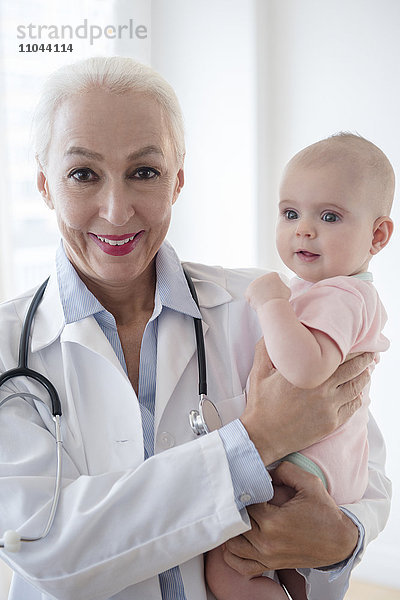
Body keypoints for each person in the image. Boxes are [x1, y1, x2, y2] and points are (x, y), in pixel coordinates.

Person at [0, 58, 389, 600]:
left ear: (178, 180)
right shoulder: (9, 351)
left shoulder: (269, 308)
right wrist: (259, 439)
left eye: (145, 172)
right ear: (44, 185)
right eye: (83, 174)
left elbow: (360, 471)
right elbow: (47, 551)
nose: (116, 211)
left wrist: (343, 541)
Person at [205, 133, 394, 599]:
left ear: (377, 235)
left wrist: (272, 302)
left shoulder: (342, 295)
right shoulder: (328, 292)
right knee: (291, 574)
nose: (303, 230)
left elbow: (306, 370)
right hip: (319, 462)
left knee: (230, 567)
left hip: (307, 464)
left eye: (328, 217)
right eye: (291, 213)